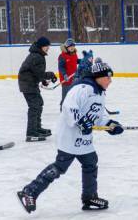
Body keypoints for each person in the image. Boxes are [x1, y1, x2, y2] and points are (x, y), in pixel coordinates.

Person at [17, 61, 124, 213]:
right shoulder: (82, 89)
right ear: (99, 77)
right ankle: (29, 192)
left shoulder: (99, 93)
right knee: (60, 166)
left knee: (90, 162)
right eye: (108, 77)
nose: (110, 81)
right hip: (69, 135)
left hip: (83, 140)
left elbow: (97, 117)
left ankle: (89, 197)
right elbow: (68, 107)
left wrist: (110, 124)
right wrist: (81, 122)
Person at [18, 37, 57, 142]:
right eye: (46, 46)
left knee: (38, 103)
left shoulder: (38, 54)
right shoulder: (36, 56)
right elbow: (39, 73)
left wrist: (43, 80)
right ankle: (31, 133)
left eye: (48, 46)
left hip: (30, 83)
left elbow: (36, 73)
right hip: (27, 84)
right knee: (34, 106)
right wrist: (51, 75)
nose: (48, 48)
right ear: (41, 46)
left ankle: (36, 128)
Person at [58, 38, 78, 110]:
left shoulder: (74, 54)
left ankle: (72, 109)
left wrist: (84, 61)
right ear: (66, 47)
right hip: (66, 80)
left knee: (73, 95)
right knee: (65, 96)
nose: (72, 47)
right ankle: (62, 109)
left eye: (73, 46)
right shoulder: (62, 56)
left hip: (74, 79)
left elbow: (76, 61)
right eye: (70, 46)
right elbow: (61, 67)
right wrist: (64, 75)